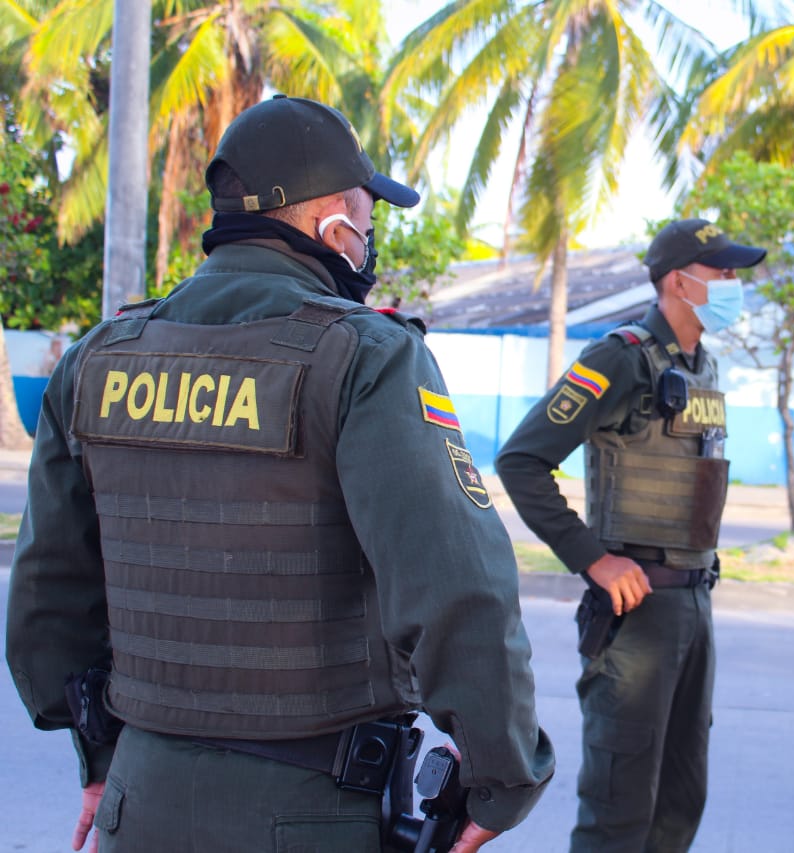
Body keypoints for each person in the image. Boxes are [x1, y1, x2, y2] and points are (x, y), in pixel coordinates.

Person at [5, 95, 553, 853]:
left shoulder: (99, 357)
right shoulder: (366, 355)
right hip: (314, 806)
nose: (368, 240)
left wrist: (102, 761)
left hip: (139, 796)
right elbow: (458, 583)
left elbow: (45, 596)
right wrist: (505, 772)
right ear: (331, 222)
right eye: (365, 218)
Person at [495, 218, 765, 852]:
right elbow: (521, 461)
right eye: (722, 272)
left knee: (679, 804)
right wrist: (593, 560)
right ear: (679, 280)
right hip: (637, 612)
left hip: (694, 602)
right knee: (619, 815)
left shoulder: (703, 365)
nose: (733, 284)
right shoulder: (620, 357)